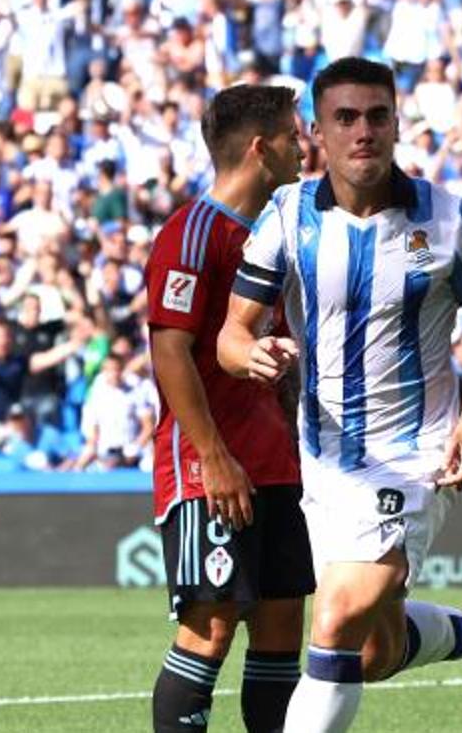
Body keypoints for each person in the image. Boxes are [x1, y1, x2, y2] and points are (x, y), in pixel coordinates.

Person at [218, 57, 462, 733]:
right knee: (371, 650)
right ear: (317, 132)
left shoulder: (451, 221)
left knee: (336, 617)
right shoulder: (287, 215)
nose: (362, 130)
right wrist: (251, 354)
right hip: (325, 458)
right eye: (345, 117)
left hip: (415, 453)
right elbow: (231, 333)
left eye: (376, 115)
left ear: (397, 124)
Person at [144, 84, 315, 733]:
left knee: (281, 626)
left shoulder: (273, 238)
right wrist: (214, 456)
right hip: (207, 465)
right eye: (294, 136)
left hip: (276, 464)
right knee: (211, 627)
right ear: (260, 148)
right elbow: (170, 351)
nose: (304, 147)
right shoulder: (192, 234)